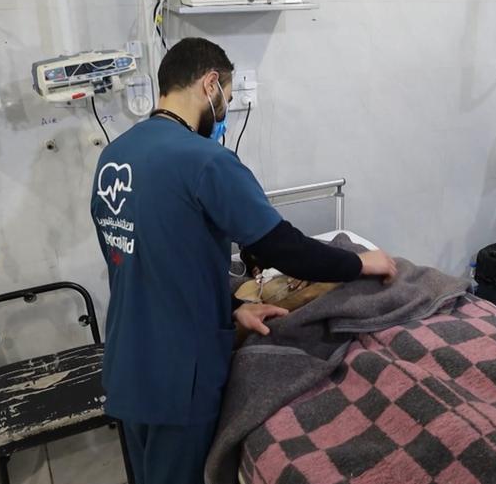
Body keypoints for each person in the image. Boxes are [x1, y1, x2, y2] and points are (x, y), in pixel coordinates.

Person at [90, 37, 397, 484]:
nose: (224, 113)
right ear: (210, 84)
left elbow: (146, 264)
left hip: (127, 364)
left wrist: (234, 308)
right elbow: (285, 249)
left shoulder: (114, 157)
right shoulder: (206, 161)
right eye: (227, 100)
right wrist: (363, 263)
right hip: (180, 375)